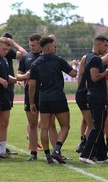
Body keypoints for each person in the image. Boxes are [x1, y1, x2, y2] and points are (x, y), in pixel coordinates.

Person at [28, 36, 78, 164]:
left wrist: (32, 102)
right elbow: (73, 74)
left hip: (43, 98)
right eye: (54, 46)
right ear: (49, 47)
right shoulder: (57, 60)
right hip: (58, 97)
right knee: (65, 126)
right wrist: (73, 65)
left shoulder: (35, 64)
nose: (55, 48)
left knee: (44, 128)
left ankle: (48, 156)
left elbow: (32, 85)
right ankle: (57, 149)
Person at [79, 35, 108, 165]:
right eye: (105, 46)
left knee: (99, 126)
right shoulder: (95, 59)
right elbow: (95, 77)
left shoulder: (89, 57)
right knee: (97, 127)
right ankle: (85, 154)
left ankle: (102, 156)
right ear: (97, 44)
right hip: (97, 96)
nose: (106, 49)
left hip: (95, 95)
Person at [16, 33, 45, 161]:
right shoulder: (25, 58)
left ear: (40, 45)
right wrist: (25, 76)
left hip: (45, 93)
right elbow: (18, 76)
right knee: (33, 125)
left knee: (49, 124)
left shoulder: (47, 57)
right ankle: (33, 153)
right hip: (30, 94)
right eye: (30, 45)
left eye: (34, 45)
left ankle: (54, 151)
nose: (31, 47)